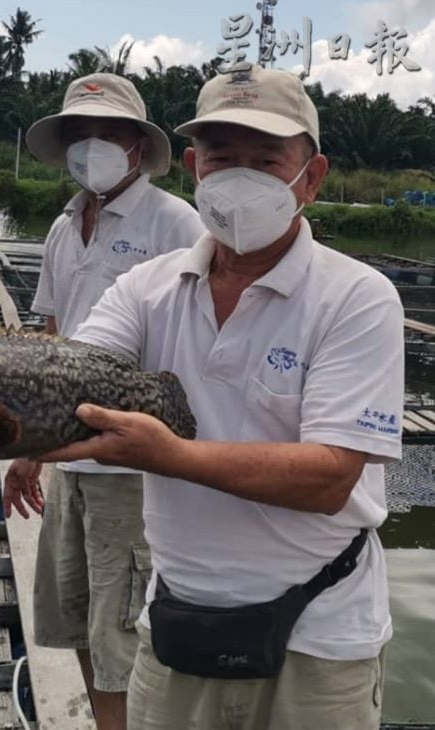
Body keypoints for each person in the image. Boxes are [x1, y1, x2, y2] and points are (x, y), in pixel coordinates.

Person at [37, 65, 405, 730]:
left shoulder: (355, 296)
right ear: (192, 167)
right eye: (222, 156)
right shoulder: (146, 289)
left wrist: (169, 454)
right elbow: (71, 376)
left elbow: (330, 477)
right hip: (176, 624)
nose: (241, 175)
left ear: (311, 177)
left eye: (267, 159)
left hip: (316, 641)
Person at [3, 73, 205, 730]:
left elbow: (194, 347)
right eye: (79, 137)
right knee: (77, 623)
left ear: (139, 149)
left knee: (126, 636)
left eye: (108, 136)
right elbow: (54, 339)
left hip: (134, 469)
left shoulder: (175, 223)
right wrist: (33, 449)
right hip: (70, 463)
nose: (92, 149)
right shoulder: (65, 227)